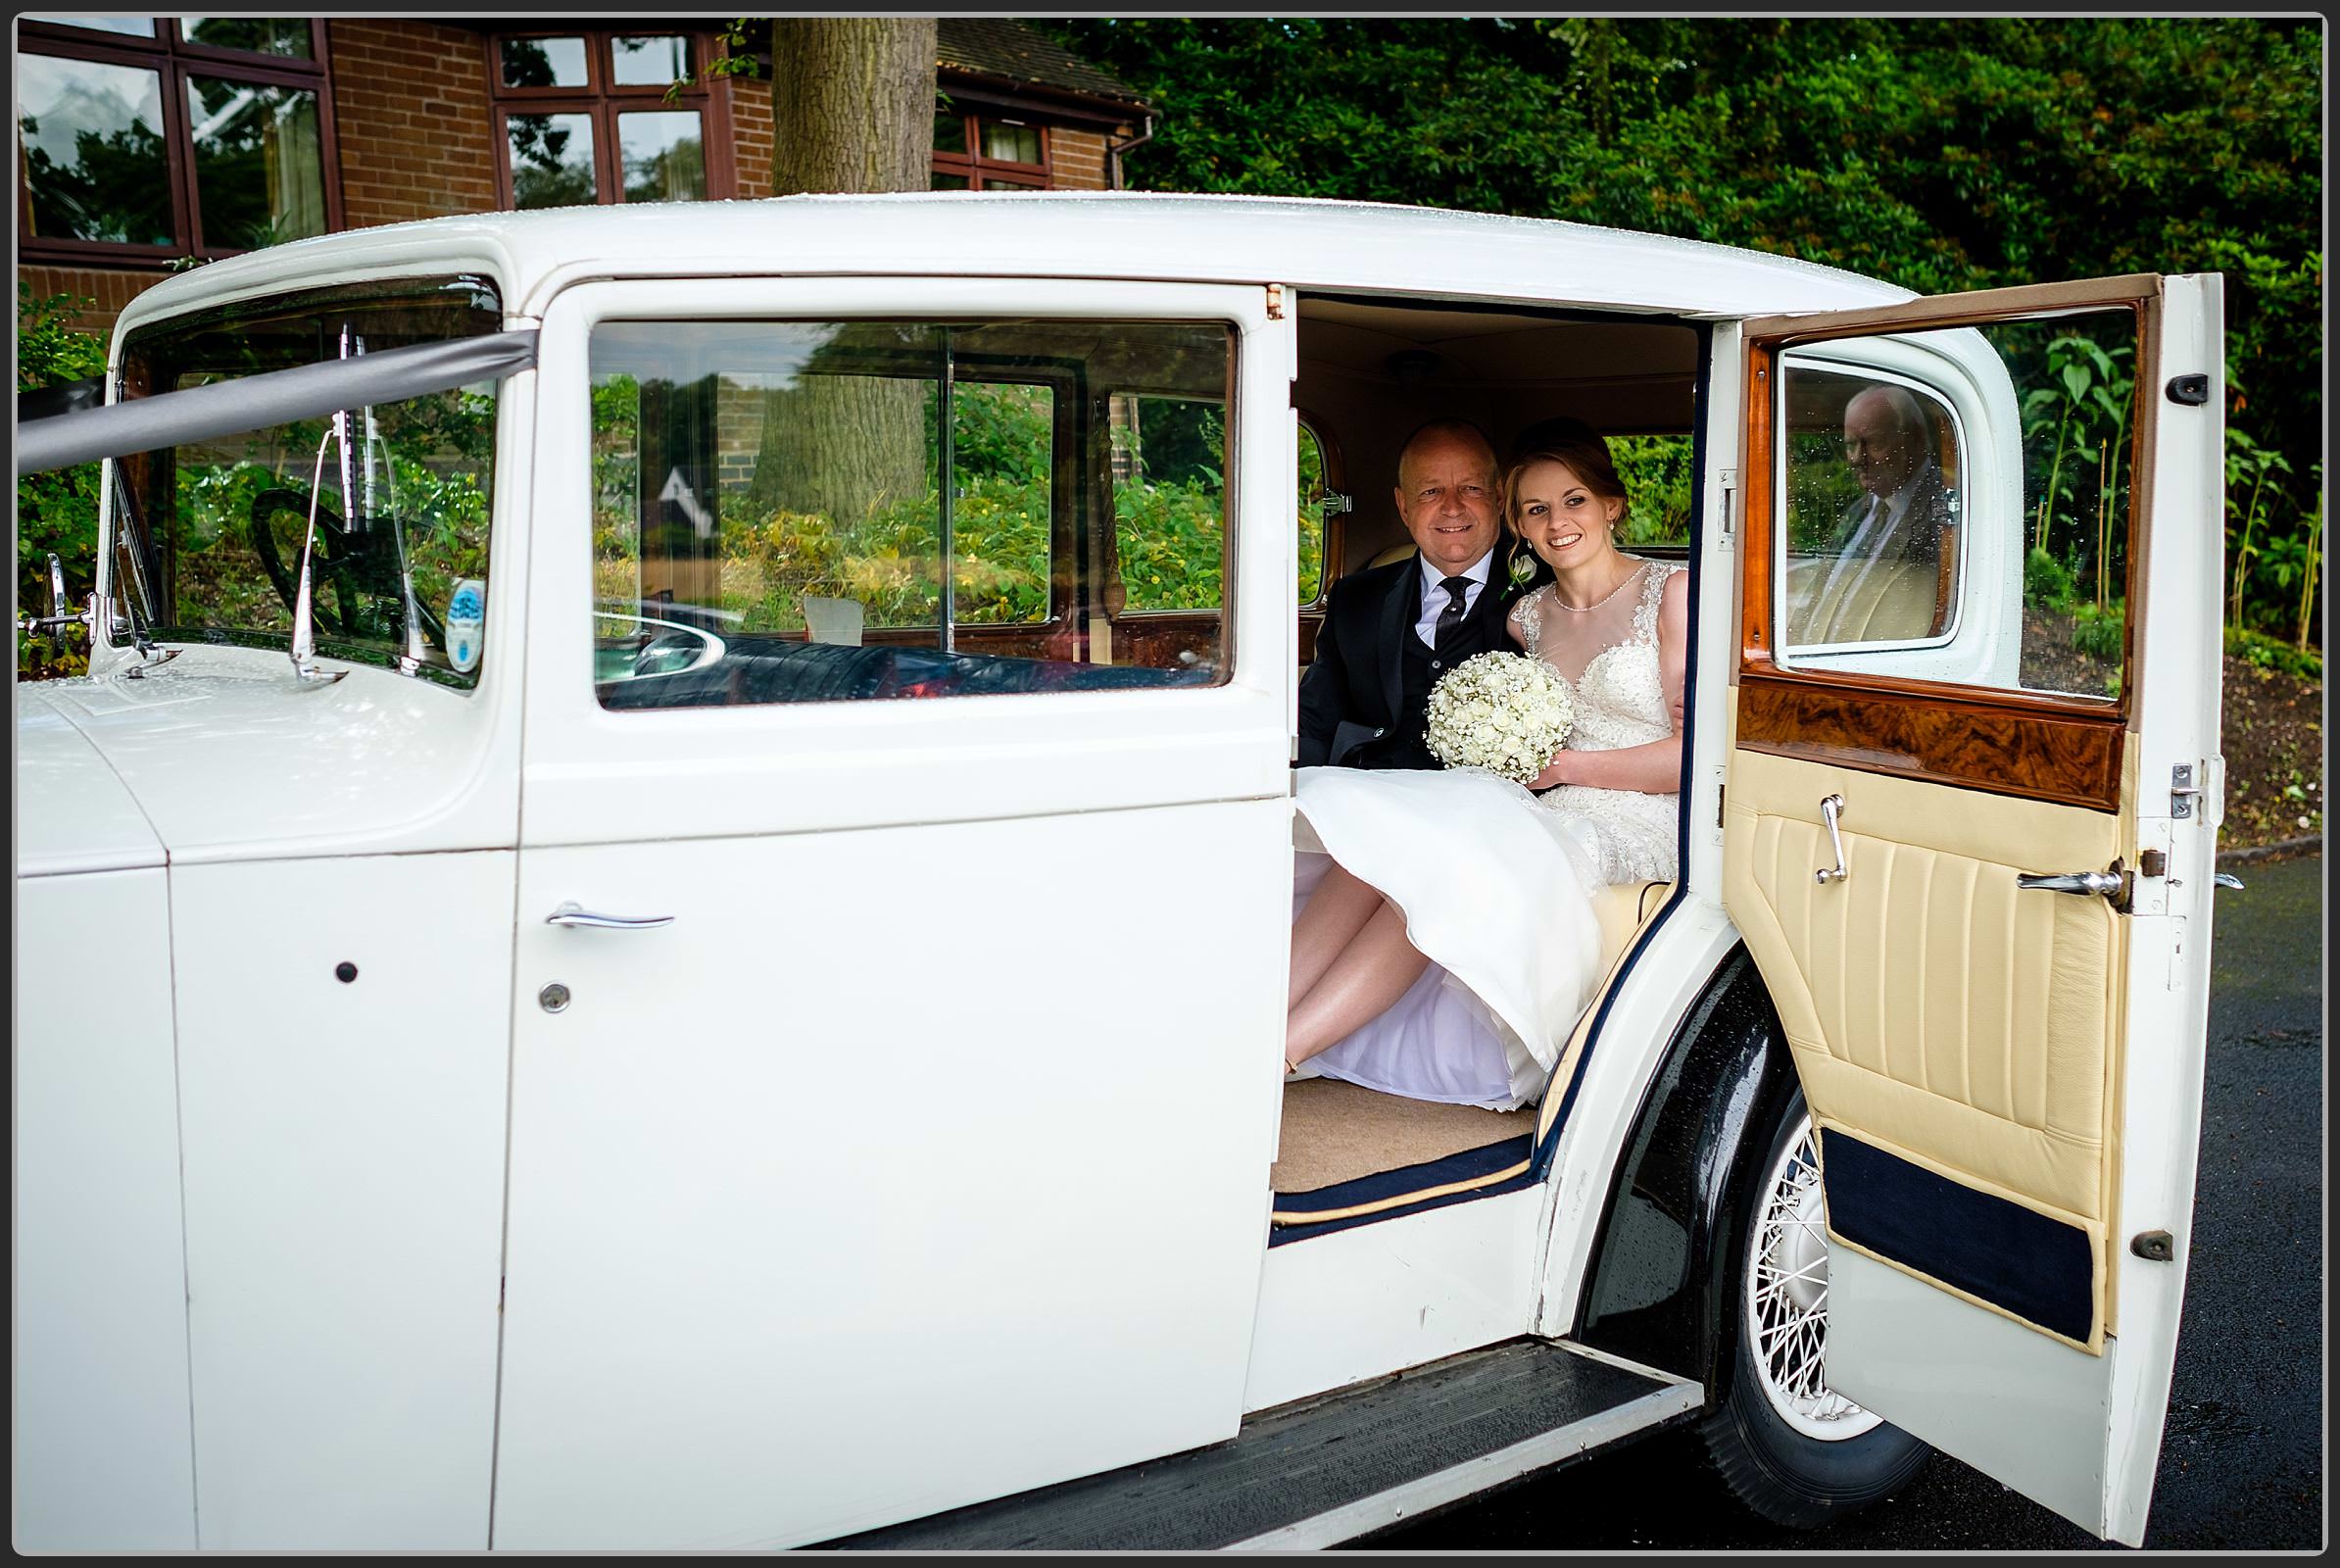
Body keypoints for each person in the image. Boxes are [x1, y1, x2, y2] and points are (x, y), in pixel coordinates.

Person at [1285, 429, 1688, 1110]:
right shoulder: (1529, 618)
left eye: (1574, 501)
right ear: (1520, 523)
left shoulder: (1672, 593)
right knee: (1380, 843)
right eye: (1537, 510)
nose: (1557, 523)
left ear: (1612, 505)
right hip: (1530, 801)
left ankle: (1282, 1051)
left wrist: (1564, 768)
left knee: (1438, 851)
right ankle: (1253, 1025)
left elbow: (1697, 752)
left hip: (1632, 813)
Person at [1295, 419, 1522, 769]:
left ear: (1499, 496)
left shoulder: (1541, 595)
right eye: (1430, 491)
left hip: (1489, 807)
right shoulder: (1355, 598)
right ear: (1403, 506)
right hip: (1369, 793)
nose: (1452, 507)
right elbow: (1314, 722)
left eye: (1471, 488)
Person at [1801, 381, 1955, 643]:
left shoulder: (1945, 511)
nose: (1855, 458)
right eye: (1850, 445)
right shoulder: (1861, 509)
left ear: (1915, 438)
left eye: (1873, 442)